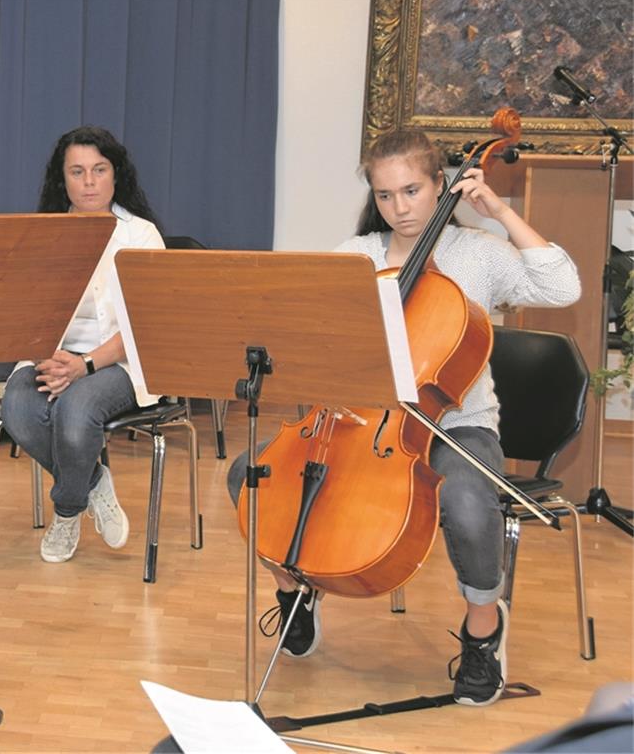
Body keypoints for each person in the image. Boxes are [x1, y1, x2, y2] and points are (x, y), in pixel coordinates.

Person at [227, 129, 580, 706]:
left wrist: (497, 211)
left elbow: (562, 286)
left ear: (441, 184)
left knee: (467, 499)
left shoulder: (478, 255)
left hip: (456, 423)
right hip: (353, 419)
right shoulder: (355, 257)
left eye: (412, 191)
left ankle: (483, 631)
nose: (400, 207)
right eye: (386, 195)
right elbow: (307, 338)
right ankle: (294, 593)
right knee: (252, 473)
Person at [0, 125, 166, 564]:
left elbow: (144, 326)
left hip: (121, 361)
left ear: (116, 175)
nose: (89, 181)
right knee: (17, 408)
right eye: (77, 171)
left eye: (99, 169)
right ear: (62, 179)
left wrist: (84, 366)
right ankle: (92, 481)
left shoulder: (141, 235)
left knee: (76, 412)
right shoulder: (43, 233)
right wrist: (52, 361)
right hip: (51, 357)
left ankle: (68, 510)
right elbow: (26, 311)